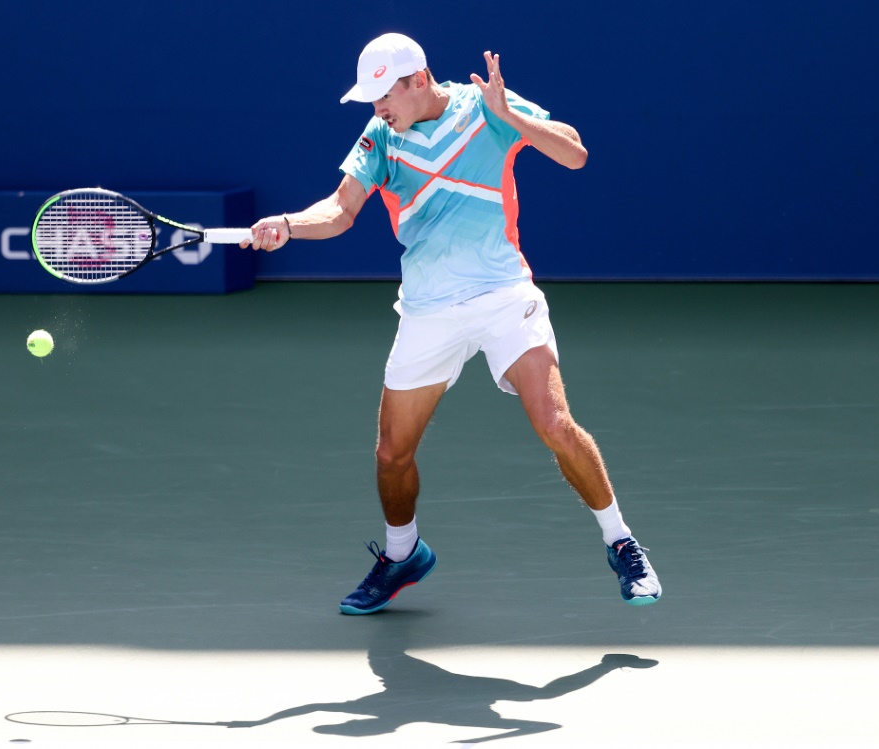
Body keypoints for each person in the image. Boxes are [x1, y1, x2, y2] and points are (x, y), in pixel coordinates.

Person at [242, 33, 661, 613]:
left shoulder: (485, 107)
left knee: (555, 423)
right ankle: (402, 552)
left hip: (502, 294)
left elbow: (575, 153)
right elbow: (340, 209)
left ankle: (622, 543)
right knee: (392, 453)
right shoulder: (381, 137)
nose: (376, 109)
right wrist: (288, 223)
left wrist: (508, 114)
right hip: (428, 308)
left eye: (382, 95)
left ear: (418, 80)